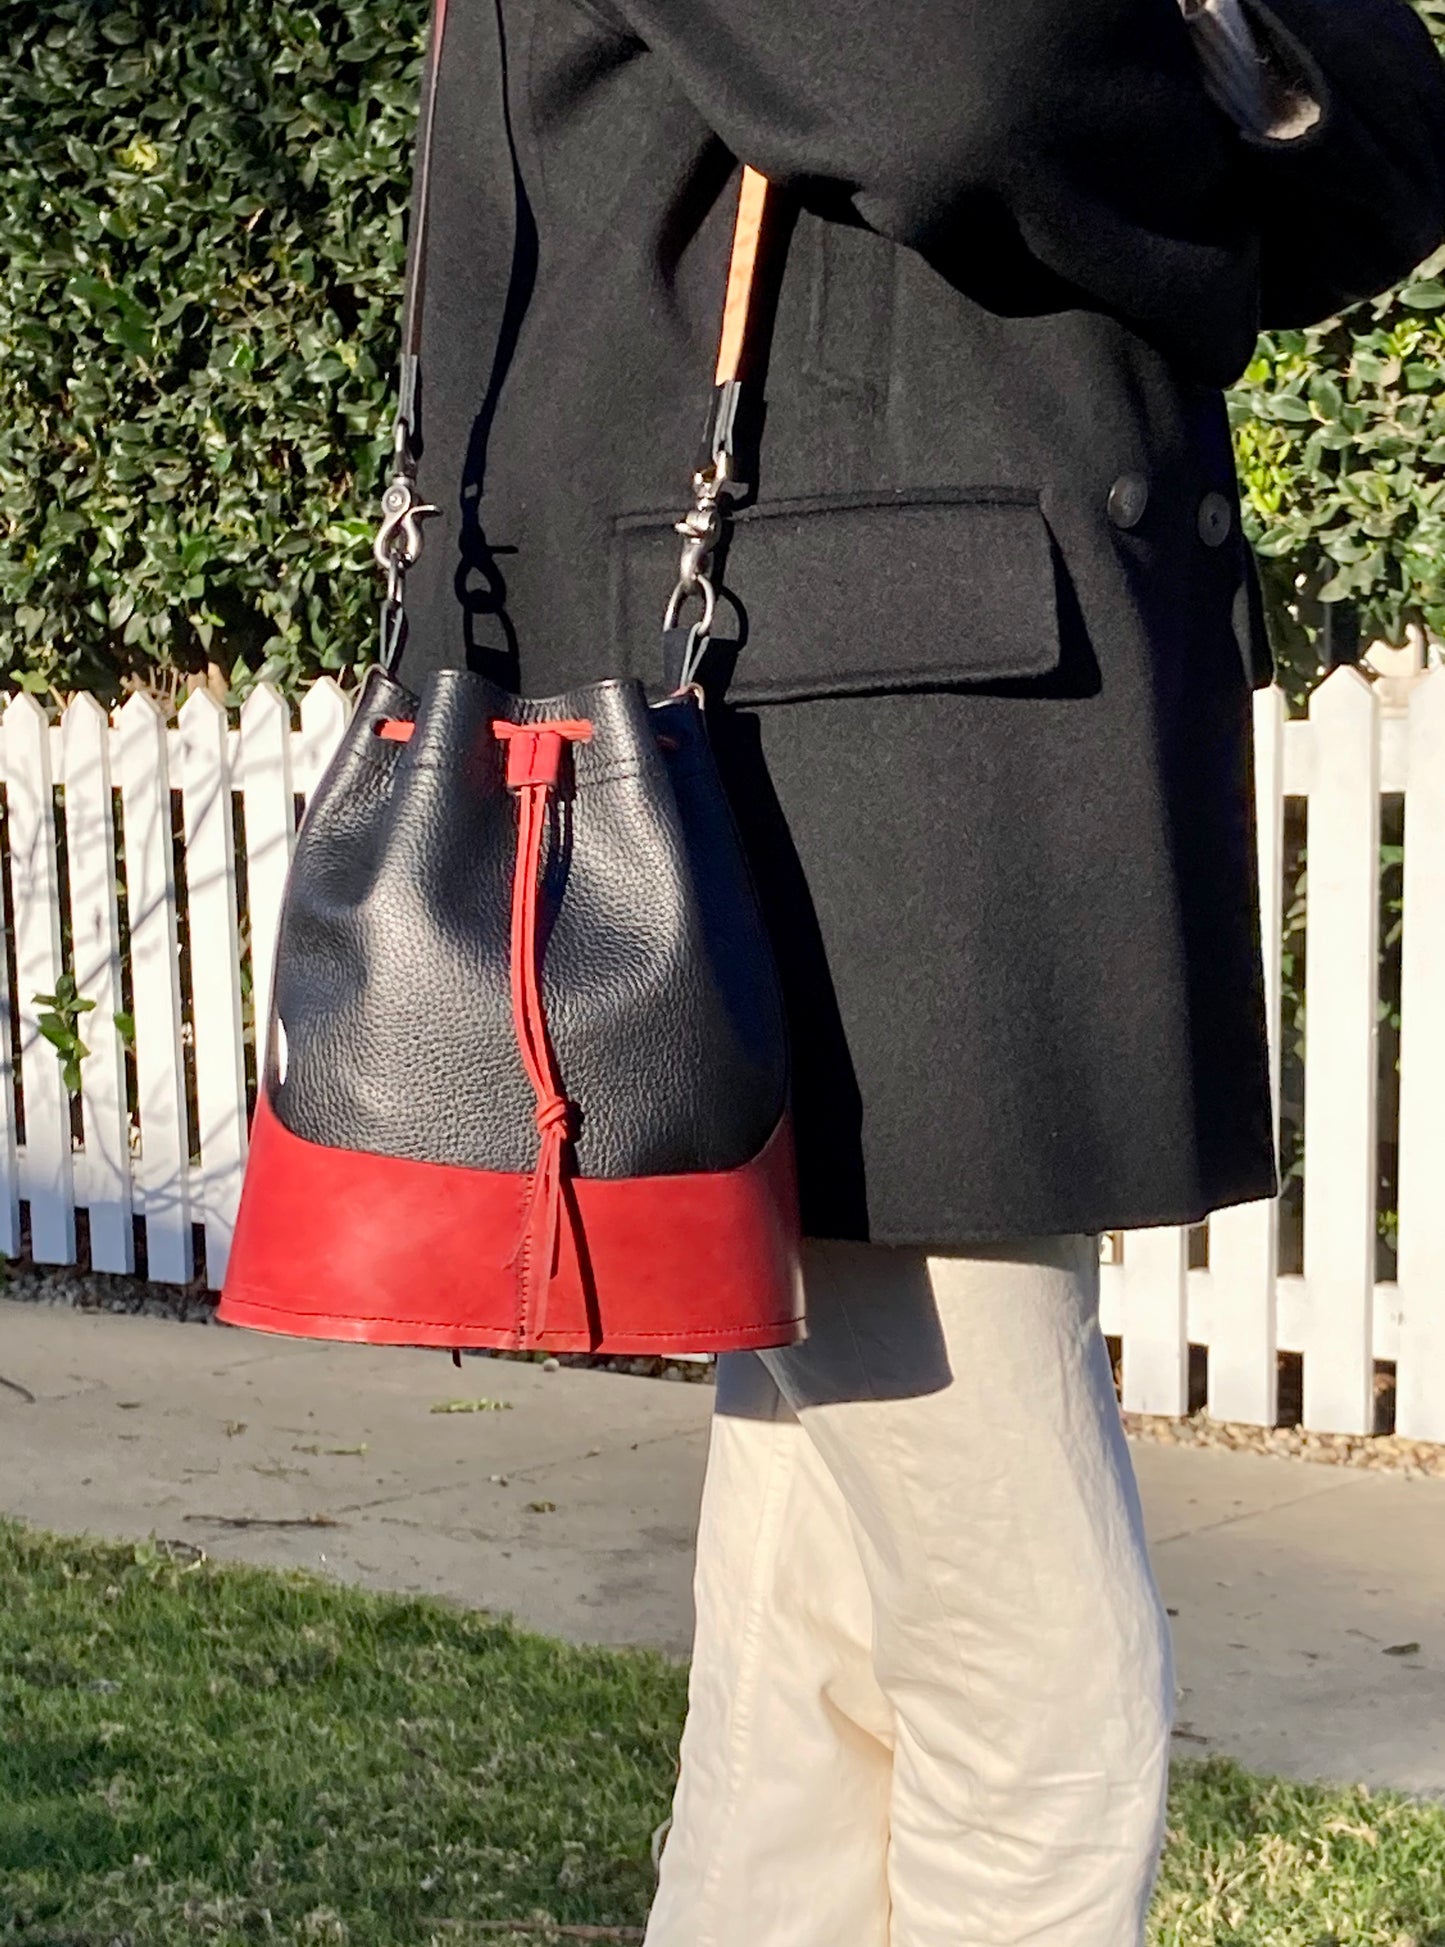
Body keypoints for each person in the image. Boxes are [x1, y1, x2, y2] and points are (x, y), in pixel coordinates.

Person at [397, 1, 1445, 1939]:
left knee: (821, 1657)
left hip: (878, 713)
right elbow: (956, 85)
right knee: (1033, 1692)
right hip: (848, 744)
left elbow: (1385, 141)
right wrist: (1205, 140)